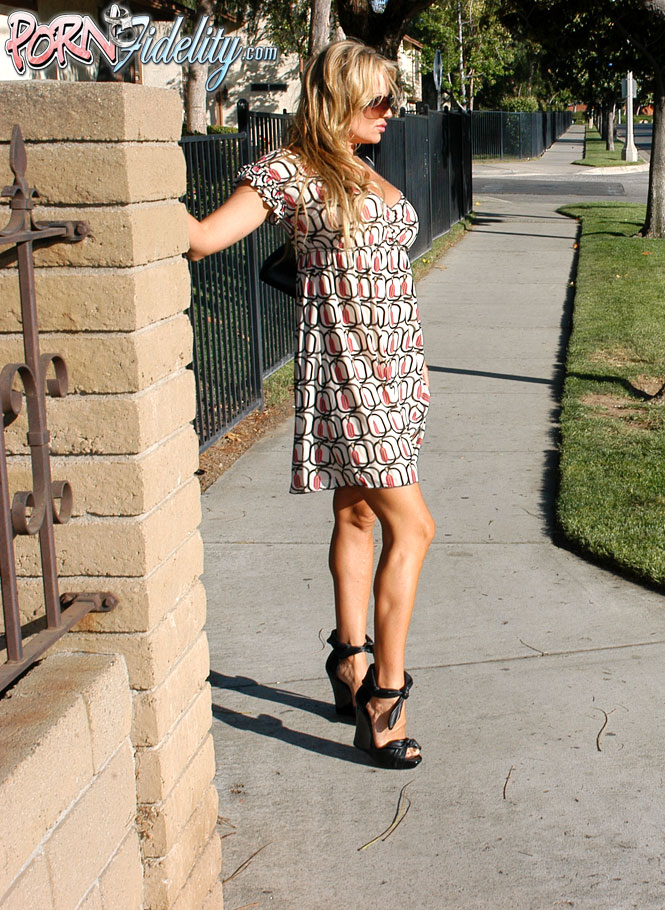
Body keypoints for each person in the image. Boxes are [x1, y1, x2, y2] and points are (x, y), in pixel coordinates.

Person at [186, 40, 434, 770]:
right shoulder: (291, 170)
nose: (391, 111)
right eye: (378, 99)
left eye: (394, 99)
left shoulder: (360, 166)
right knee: (415, 529)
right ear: (339, 99)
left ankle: (349, 661)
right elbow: (203, 239)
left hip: (395, 373)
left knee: (358, 515)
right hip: (352, 377)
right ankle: (385, 699)